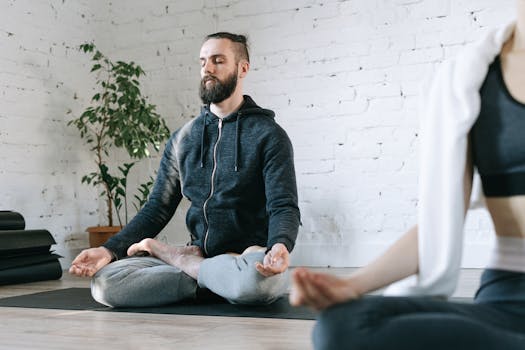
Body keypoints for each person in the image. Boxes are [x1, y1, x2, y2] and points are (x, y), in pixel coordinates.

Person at [290, 2, 525, 349]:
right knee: (343, 326)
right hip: (506, 300)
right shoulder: (470, 79)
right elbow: (438, 225)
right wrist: (351, 286)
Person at [69, 32, 301, 307]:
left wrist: (279, 246)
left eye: (218, 60)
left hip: (249, 257)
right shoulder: (184, 138)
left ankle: (181, 261)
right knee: (106, 285)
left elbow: (283, 206)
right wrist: (109, 250)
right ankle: (214, 279)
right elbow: (157, 207)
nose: (207, 68)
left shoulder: (269, 135)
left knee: (260, 282)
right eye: (203, 61)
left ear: (242, 69)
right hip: (201, 254)